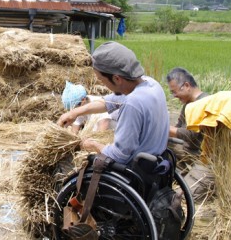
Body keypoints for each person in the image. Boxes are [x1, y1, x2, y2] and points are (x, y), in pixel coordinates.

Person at [57, 42, 169, 165]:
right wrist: (75, 112)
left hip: (137, 168)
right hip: (157, 161)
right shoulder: (151, 84)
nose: (104, 85)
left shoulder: (132, 104)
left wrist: (93, 145)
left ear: (116, 78)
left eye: (102, 80)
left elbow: (119, 155)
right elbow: (109, 102)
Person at [166, 67, 214, 202]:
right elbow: (178, 126)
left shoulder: (206, 103)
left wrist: (163, 128)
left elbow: (193, 135)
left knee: (181, 197)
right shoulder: (188, 104)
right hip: (190, 152)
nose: (174, 96)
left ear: (186, 86)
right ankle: (177, 173)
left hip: (206, 160)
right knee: (162, 143)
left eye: (174, 92)